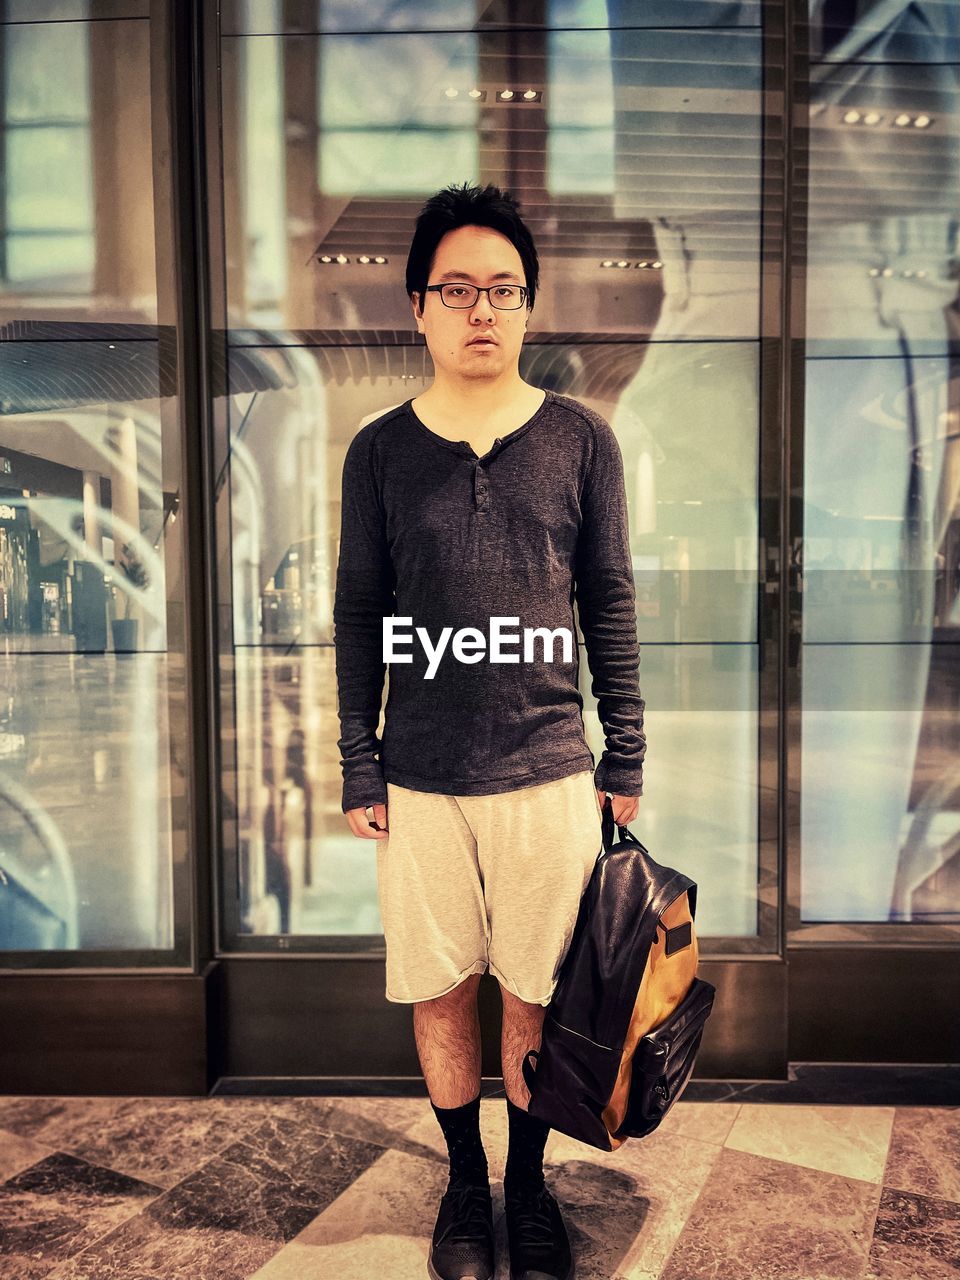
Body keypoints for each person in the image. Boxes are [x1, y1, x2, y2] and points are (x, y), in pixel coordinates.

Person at [333, 181, 645, 1280]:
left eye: (503, 290)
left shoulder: (580, 442)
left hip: (547, 774)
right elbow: (357, 609)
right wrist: (357, 756)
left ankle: (527, 1183)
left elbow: (607, 598)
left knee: (532, 987)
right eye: (458, 288)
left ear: (528, 306)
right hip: (419, 777)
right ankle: (465, 1182)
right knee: (436, 984)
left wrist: (628, 755)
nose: (482, 309)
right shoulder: (378, 452)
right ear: (417, 305)